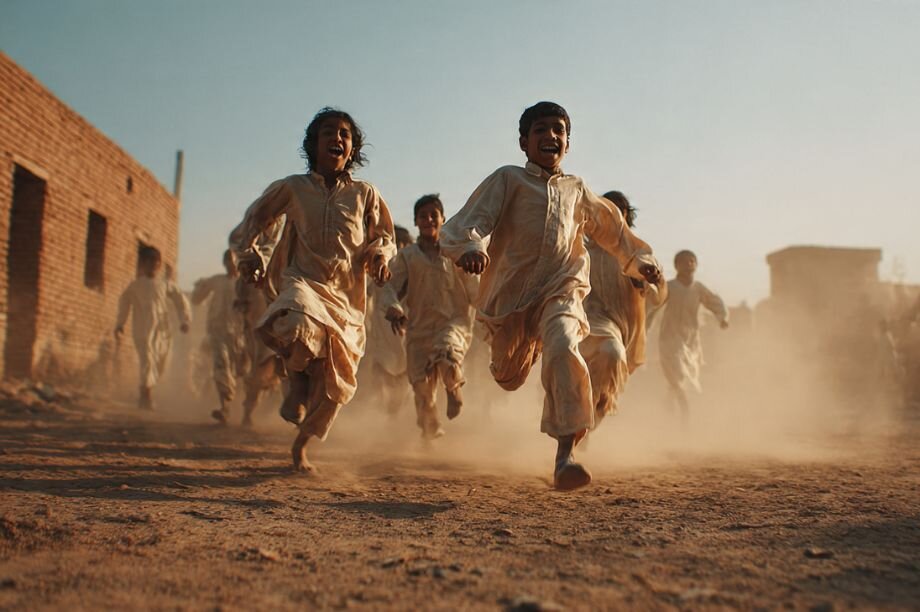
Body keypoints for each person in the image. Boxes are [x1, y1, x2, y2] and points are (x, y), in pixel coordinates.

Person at [440, 101, 662, 490]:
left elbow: (613, 229)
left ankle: (565, 457)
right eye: (540, 130)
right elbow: (471, 220)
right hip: (509, 303)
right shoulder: (507, 179)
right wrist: (472, 248)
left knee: (562, 346)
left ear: (568, 144)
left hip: (562, 290)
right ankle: (518, 368)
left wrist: (640, 260)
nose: (550, 136)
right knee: (507, 376)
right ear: (524, 142)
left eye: (558, 130)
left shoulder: (576, 190)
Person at [230, 107, 395, 472]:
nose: (337, 138)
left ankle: (301, 445)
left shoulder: (366, 193)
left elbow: (384, 235)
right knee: (295, 321)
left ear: (353, 149)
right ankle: (294, 385)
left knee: (336, 387)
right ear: (313, 144)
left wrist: (380, 257)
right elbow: (255, 219)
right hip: (302, 282)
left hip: (347, 300)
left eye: (344, 134)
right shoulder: (293, 187)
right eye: (328, 133)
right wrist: (250, 254)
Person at [383, 195, 478, 440]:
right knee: (422, 390)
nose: (428, 220)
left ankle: (454, 389)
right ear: (416, 221)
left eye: (433, 215)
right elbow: (390, 286)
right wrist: (393, 307)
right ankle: (429, 432)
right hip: (418, 330)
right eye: (422, 216)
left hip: (453, 324)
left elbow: (475, 290)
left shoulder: (455, 253)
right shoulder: (407, 257)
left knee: (447, 353)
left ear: (442, 219)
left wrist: (490, 313)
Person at [580, 191, 667, 426]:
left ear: (626, 216)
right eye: (608, 209)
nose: (614, 215)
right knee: (576, 375)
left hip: (618, 326)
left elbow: (657, 297)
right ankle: (572, 429)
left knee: (611, 358)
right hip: (582, 320)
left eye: (620, 210)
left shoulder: (638, 253)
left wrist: (645, 282)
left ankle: (593, 421)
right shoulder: (581, 248)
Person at [115, 246, 191, 410]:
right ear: (143, 264)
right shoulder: (135, 286)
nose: (152, 265)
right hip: (142, 329)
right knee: (147, 360)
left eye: (155, 262)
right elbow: (124, 304)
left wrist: (184, 320)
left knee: (161, 362)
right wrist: (120, 323)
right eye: (149, 262)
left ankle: (144, 388)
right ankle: (146, 397)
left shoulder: (165, 284)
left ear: (159, 264)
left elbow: (180, 300)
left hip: (162, 331)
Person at [657, 250, 728, 419]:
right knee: (680, 375)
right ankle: (685, 415)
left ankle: (670, 403)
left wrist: (722, 318)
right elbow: (652, 305)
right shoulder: (669, 287)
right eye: (684, 262)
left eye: (692, 261)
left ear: (696, 264)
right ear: (676, 266)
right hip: (670, 340)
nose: (689, 264)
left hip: (691, 342)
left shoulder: (698, 288)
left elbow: (714, 302)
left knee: (686, 378)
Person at [359, 225, 413, 418]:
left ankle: (393, 414)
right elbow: (364, 292)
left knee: (404, 377)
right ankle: (375, 415)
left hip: (406, 332)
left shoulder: (414, 269)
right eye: (396, 244)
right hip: (381, 330)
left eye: (403, 244)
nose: (399, 248)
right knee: (379, 370)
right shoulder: (377, 272)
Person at [191, 250, 249, 425]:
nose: (230, 263)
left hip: (238, 334)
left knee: (238, 371)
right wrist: (199, 288)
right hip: (217, 331)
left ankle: (238, 408)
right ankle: (224, 406)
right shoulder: (216, 281)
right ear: (224, 262)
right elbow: (196, 299)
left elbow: (254, 304)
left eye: (233, 260)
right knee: (221, 364)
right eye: (227, 260)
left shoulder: (245, 284)